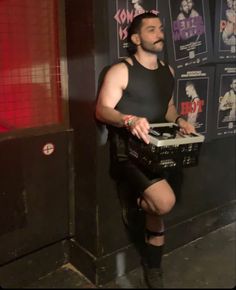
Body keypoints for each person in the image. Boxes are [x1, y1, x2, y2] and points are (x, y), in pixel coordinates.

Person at [95, 12, 195, 288]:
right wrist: (128, 120)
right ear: (136, 38)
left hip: (158, 148)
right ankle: (133, 202)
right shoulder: (121, 70)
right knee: (163, 203)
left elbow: (169, 107)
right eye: (151, 30)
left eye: (161, 29)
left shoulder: (168, 71)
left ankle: (153, 268)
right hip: (128, 152)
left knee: (157, 212)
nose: (159, 33)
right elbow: (102, 110)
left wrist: (179, 120)